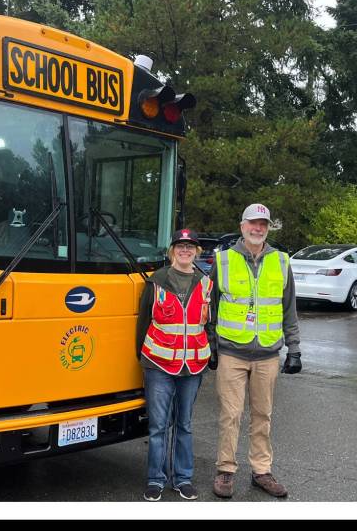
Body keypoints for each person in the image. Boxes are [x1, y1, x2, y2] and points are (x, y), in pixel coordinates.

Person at [206, 202, 300, 499]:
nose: (258, 228)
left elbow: (289, 308)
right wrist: (210, 346)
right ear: (242, 226)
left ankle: (261, 470)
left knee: (263, 414)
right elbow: (209, 307)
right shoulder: (222, 261)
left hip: (267, 355)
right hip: (232, 352)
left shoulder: (282, 261)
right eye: (253, 223)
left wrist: (294, 348)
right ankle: (225, 470)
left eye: (263, 224)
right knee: (230, 414)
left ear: (268, 228)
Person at [136, 228, 213, 501]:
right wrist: (142, 359)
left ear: (196, 251)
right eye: (180, 246)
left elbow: (208, 323)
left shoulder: (205, 282)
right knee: (158, 427)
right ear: (172, 251)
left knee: (185, 424)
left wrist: (210, 352)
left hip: (192, 366)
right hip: (158, 366)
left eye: (190, 246)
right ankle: (155, 480)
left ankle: (183, 479)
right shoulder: (156, 280)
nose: (185, 250)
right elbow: (142, 323)